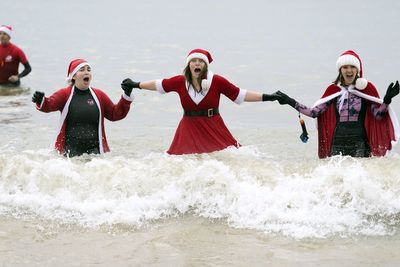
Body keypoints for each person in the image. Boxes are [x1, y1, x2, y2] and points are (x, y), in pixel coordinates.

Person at [121, 48, 278, 155]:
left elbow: (240, 95)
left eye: (200, 61)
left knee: (230, 155)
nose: (197, 63)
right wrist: (136, 85)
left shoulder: (217, 81)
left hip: (213, 125)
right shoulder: (179, 81)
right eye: (193, 61)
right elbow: (158, 84)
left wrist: (269, 97)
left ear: (205, 66)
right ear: (189, 65)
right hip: (188, 127)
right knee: (179, 160)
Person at [275, 50, 399, 158]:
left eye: (352, 67)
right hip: (338, 139)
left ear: (357, 70)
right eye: (345, 67)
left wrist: (387, 100)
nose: (349, 70)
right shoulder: (333, 91)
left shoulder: (365, 90)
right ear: (340, 70)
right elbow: (313, 113)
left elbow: (378, 115)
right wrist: (289, 101)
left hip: (359, 140)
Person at [32, 59, 134, 157]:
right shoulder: (65, 94)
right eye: (82, 70)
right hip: (69, 155)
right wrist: (40, 100)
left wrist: (126, 95)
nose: (87, 72)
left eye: (88, 70)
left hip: (96, 154)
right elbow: (49, 105)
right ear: (74, 76)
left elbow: (114, 114)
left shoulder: (99, 95)